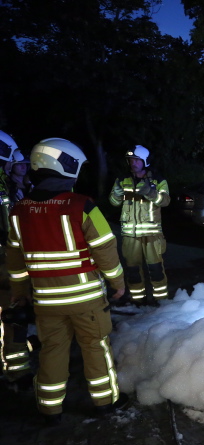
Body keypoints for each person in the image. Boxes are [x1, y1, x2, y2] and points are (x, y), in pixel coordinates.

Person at [5, 138, 128, 424]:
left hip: (46, 303)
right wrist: (118, 283)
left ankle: (49, 409)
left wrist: (20, 294)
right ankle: (106, 402)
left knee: (51, 351)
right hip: (85, 300)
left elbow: (15, 262)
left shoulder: (19, 211)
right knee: (95, 347)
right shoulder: (82, 206)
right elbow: (106, 249)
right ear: (66, 166)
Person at [109, 145, 170, 305]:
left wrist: (151, 192)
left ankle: (161, 300)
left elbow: (165, 201)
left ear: (145, 161)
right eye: (130, 160)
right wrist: (116, 194)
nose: (132, 163)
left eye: (136, 160)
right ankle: (137, 300)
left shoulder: (158, 180)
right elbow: (114, 202)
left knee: (156, 269)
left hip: (152, 234)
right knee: (132, 270)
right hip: (130, 234)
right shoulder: (122, 180)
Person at [0, 130, 34, 386]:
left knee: (17, 312)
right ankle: (18, 370)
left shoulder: (18, 188)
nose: (18, 166)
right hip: (9, 259)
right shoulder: (7, 189)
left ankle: (18, 367)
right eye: (15, 161)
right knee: (15, 310)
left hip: (14, 257)